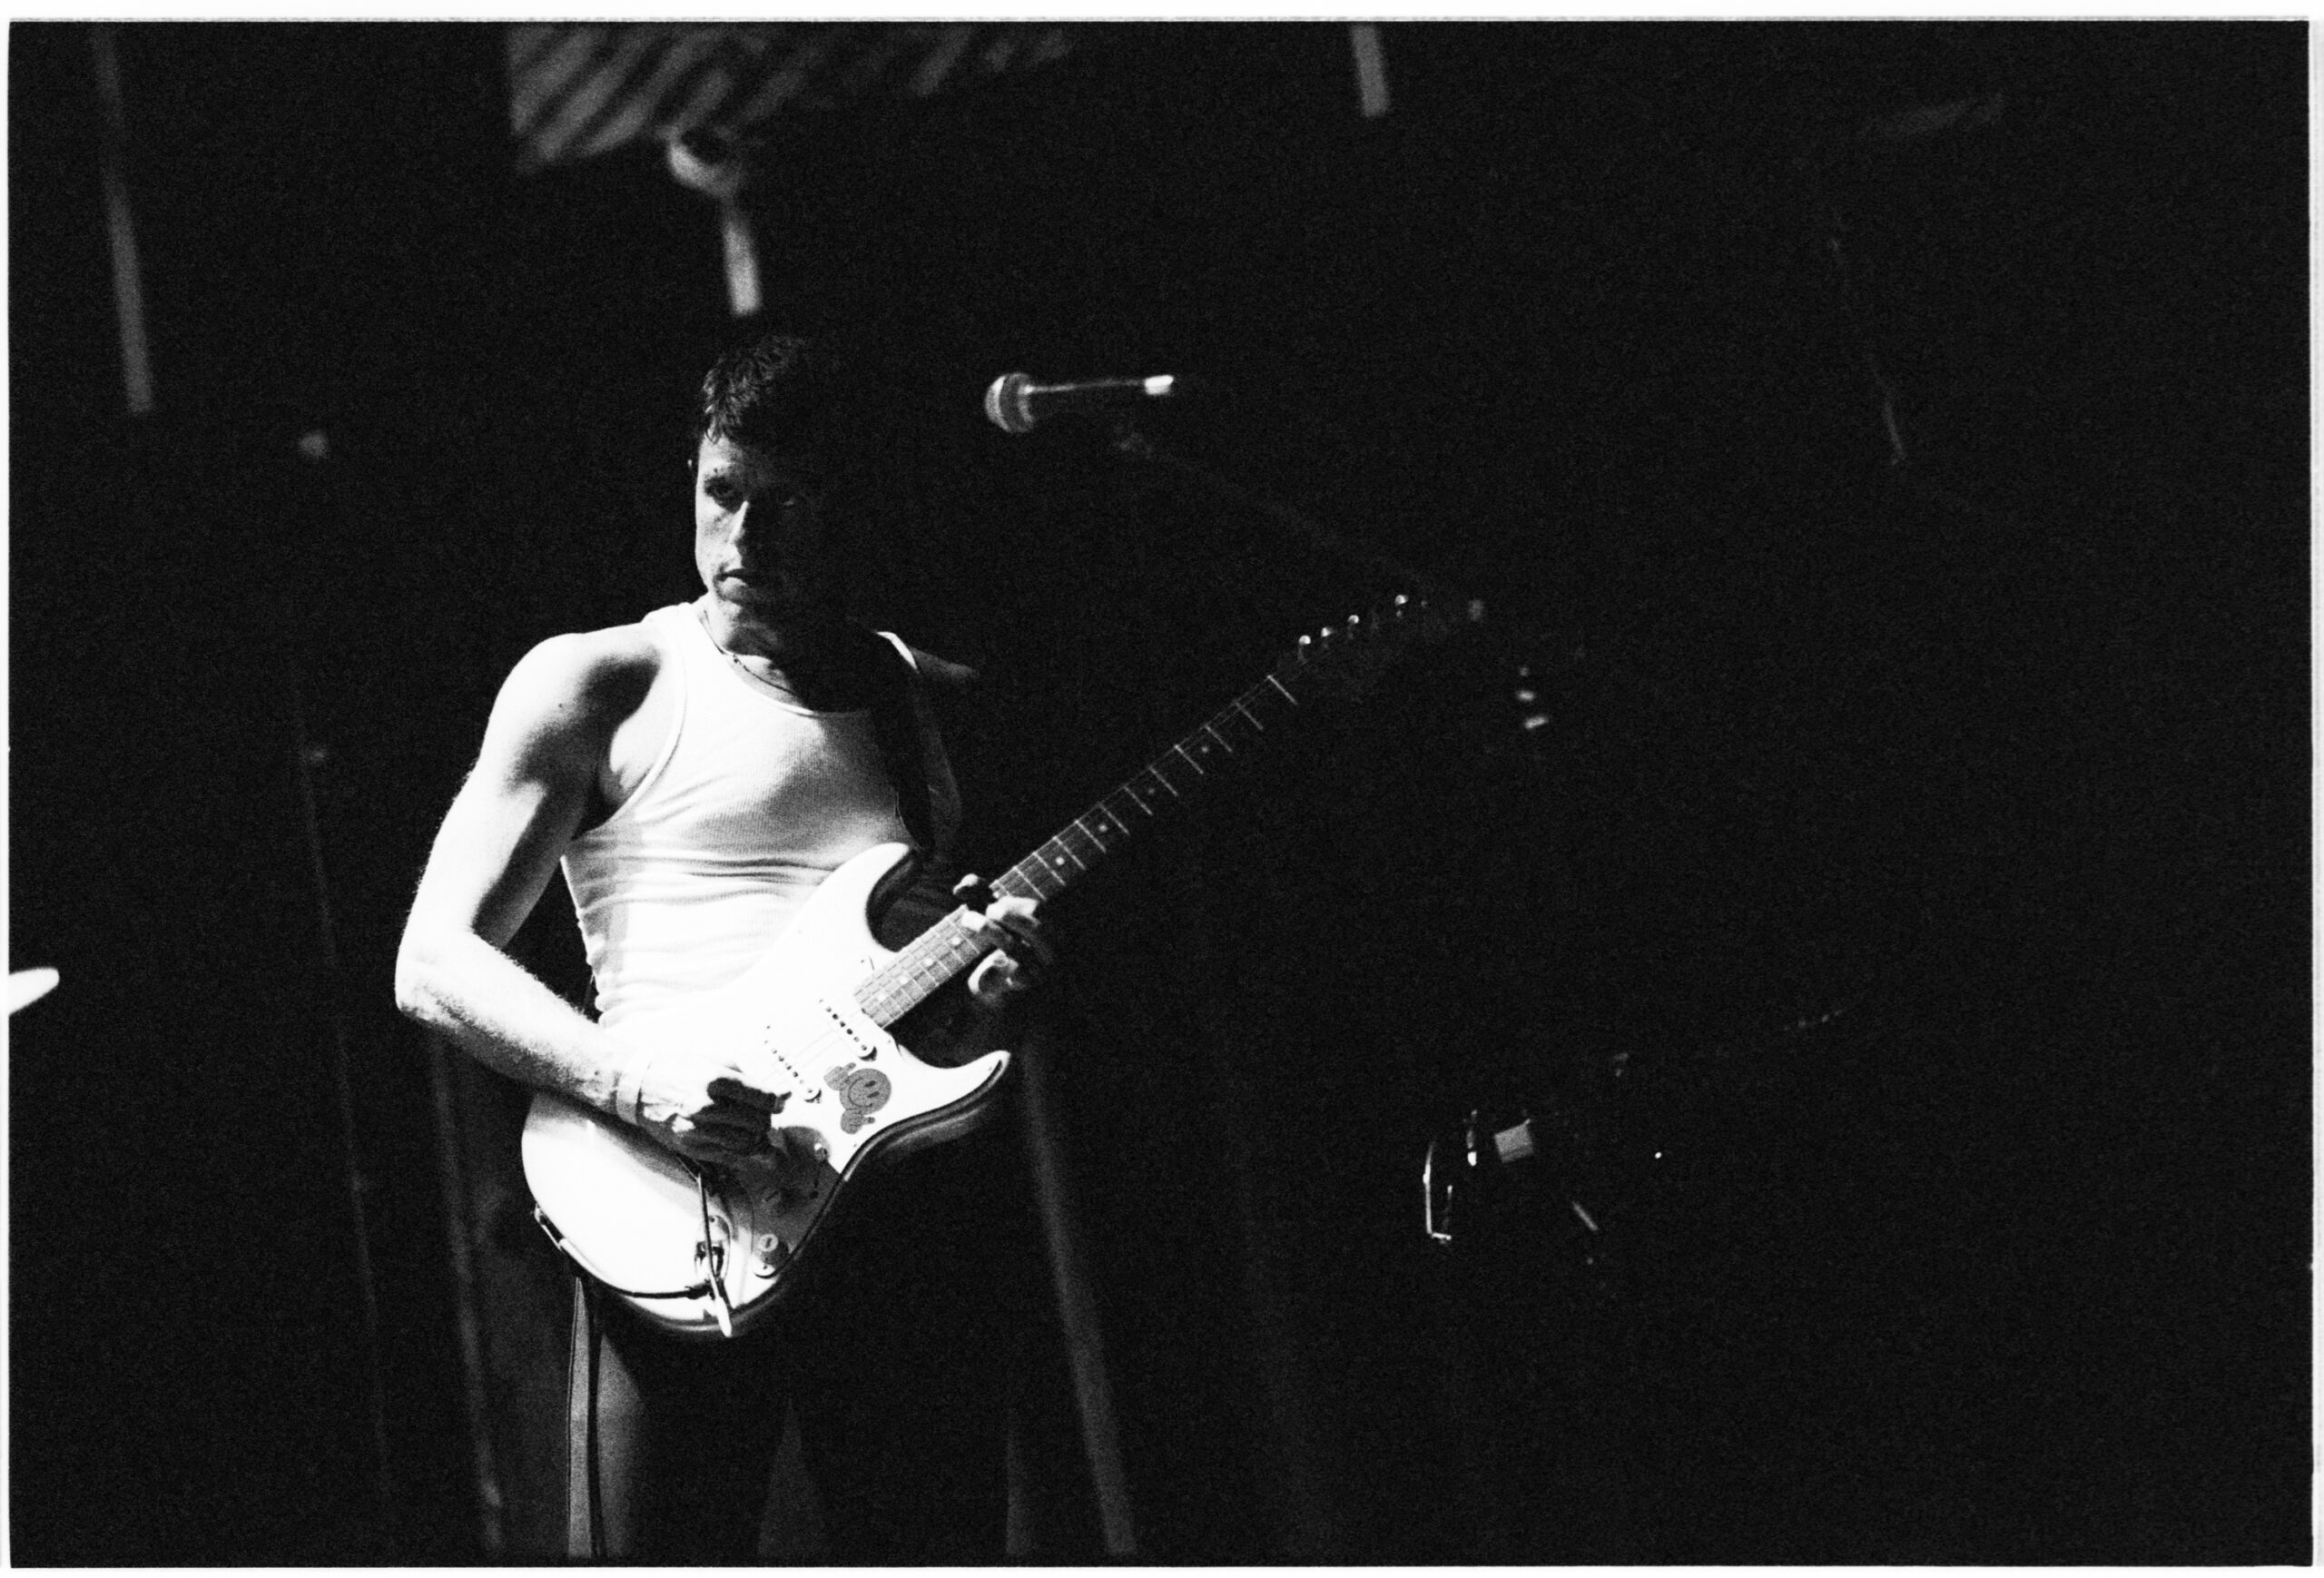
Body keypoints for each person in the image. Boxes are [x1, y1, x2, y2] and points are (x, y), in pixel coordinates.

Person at [395, 330, 1054, 1561]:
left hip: (895, 1219)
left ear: (853, 507)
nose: (744, 536)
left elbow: (931, 1011)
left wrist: (983, 1002)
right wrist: (639, 1086)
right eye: (721, 491)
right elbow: (433, 961)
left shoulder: (929, 700)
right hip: (669, 1194)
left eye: (787, 503)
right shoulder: (607, 682)